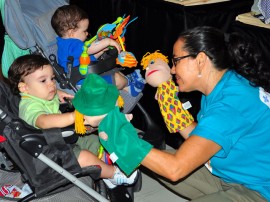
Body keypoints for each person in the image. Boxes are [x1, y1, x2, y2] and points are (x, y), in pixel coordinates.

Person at [111, 26, 270, 201]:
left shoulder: (230, 105)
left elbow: (174, 170)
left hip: (259, 190)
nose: (172, 70)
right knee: (151, 158)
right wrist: (172, 108)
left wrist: (115, 131)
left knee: (162, 162)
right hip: (230, 173)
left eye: (176, 60)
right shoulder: (224, 84)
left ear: (201, 60)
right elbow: (204, 137)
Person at [8, 54, 138, 189]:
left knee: (97, 141)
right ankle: (113, 175)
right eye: (43, 81)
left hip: (60, 139)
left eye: (52, 78)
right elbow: (43, 122)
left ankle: (104, 169)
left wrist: (57, 92)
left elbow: (49, 90)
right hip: (49, 152)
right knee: (85, 157)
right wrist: (73, 117)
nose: (51, 83)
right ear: (24, 88)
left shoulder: (40, 93)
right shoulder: (29, 106)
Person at [51, 4, 145, 97]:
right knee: (116, 78)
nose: (87, 33)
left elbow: (86, 57)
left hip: (84, 75)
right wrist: (107, 41)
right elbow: (88, 49)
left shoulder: (64, 43)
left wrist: (100, 50)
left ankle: (128, 87)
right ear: (71, 33)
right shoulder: (72, 44)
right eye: (84, 31)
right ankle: (130, 83)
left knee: (113, 72)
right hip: (83, 82)